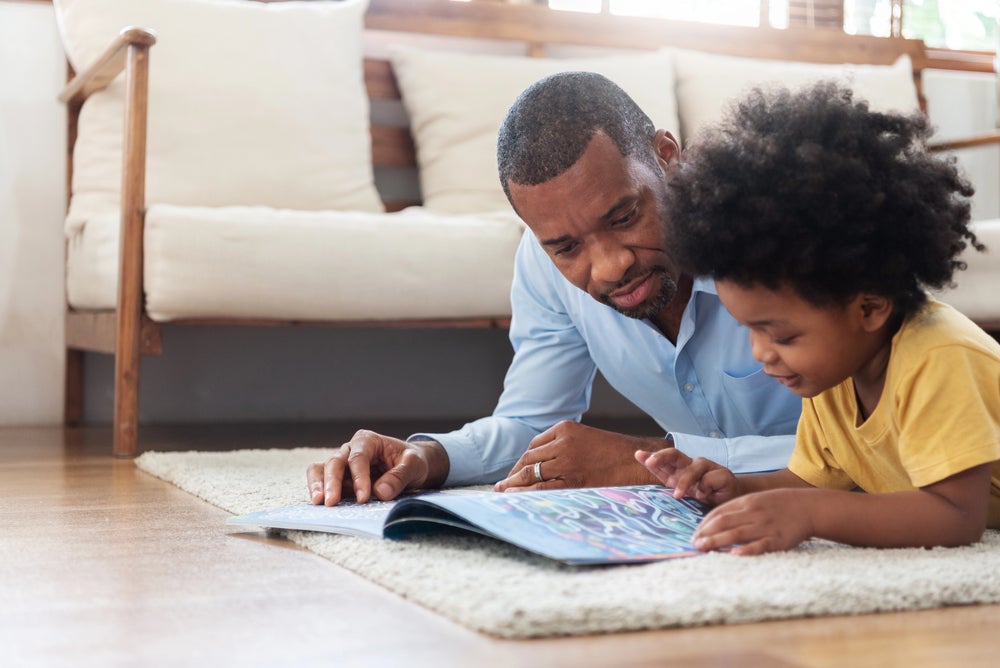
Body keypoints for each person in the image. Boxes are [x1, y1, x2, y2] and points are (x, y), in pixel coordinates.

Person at [307, 72, 802, 506]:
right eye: (566, 247)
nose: (610, 267)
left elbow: (868, 446)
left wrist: (649, 460)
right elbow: (530, 426)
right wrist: (429, 457)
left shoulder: (786, 240)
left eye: (625, 217)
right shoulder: (542, 261)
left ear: (666, 157)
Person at [637, 80, 1000, 556]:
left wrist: (805, 514)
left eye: (781, 334)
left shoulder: (939, 356)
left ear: (869, 307)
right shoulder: (832, 375)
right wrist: (735, 488)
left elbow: (957, 515)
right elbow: (805, 481)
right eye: (749, 329)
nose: (760, 353)